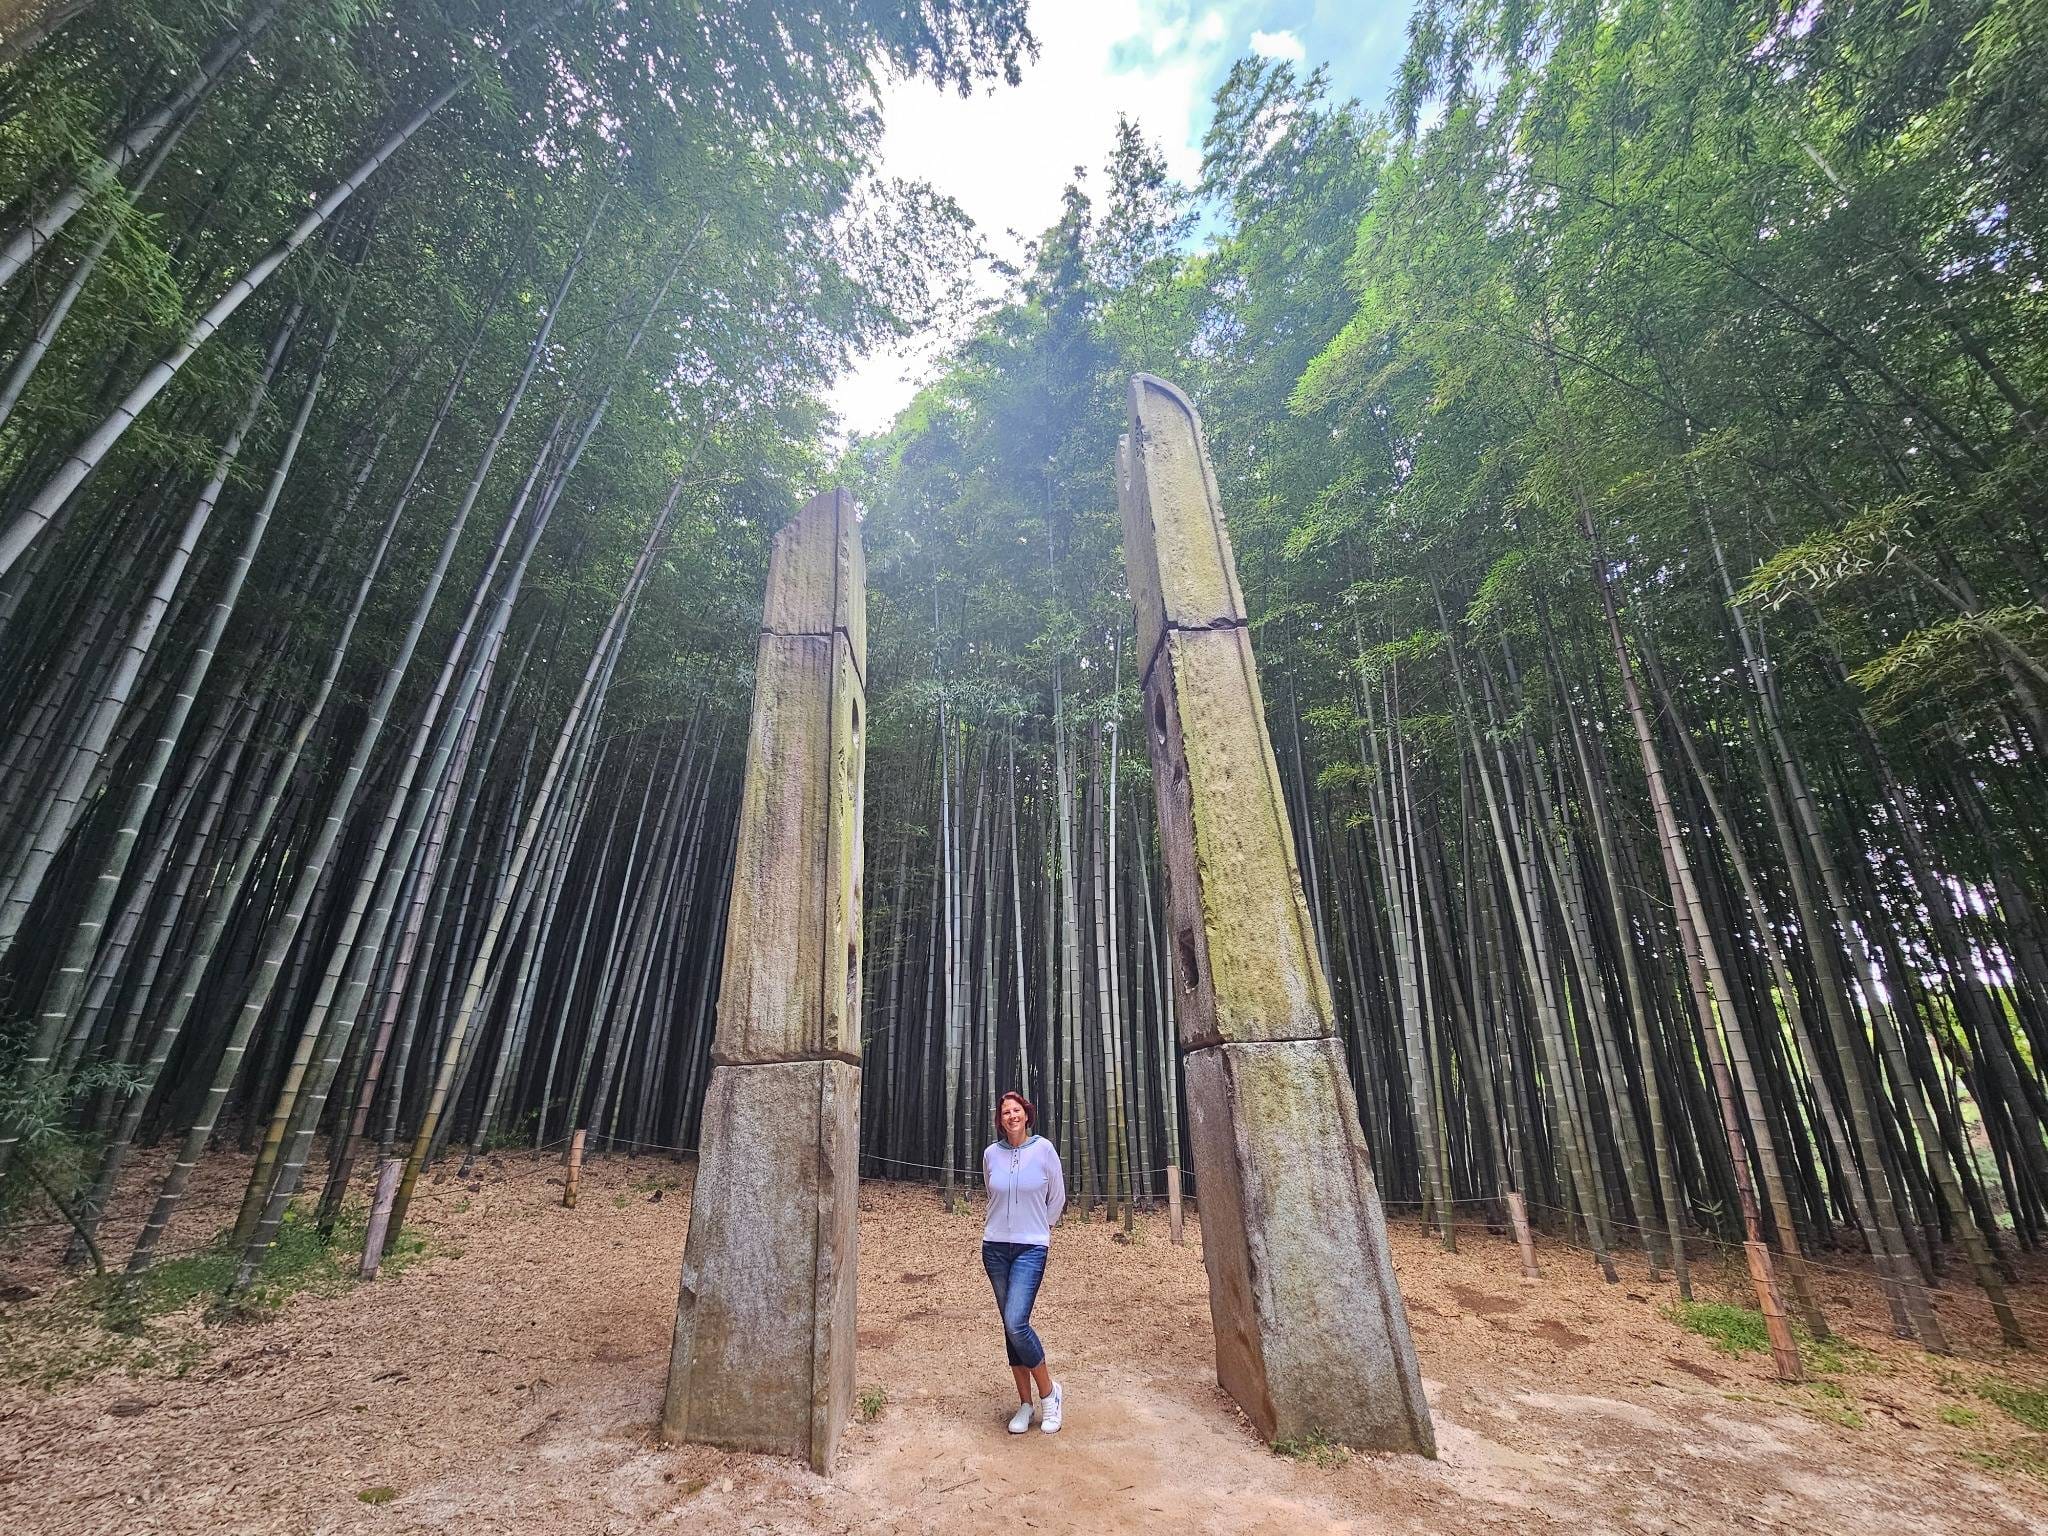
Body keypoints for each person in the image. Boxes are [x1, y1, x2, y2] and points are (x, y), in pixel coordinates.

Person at [981, 1089, 1066, 1434]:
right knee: (1008, 1327)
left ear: (1026, 1115)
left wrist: (1041, 1228)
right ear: (1000, 1120)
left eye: (1016, 1111)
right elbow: (991, 1192)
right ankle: (1025, 1404)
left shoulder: (1044, 1149)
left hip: (1031, 1248)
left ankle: (1050, 1395)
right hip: (995, 1247)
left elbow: (1057, 1196)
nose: (1011, 1116)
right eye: (1005, 1113)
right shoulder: (990, 1154)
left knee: (1017, 1322)